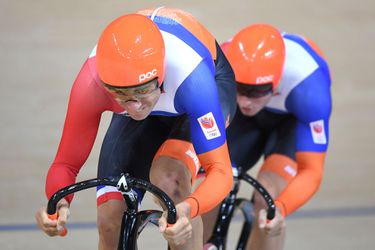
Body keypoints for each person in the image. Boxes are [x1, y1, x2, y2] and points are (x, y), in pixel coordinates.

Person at [35, 7, 237, 250]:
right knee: (110, 221)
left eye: (140, 92)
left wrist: (187, 208)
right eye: (121, 96)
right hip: (157, 91)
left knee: (171, 181)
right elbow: (65, 164)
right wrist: (58, 204)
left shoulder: (193, 80)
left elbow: (220, 171)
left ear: (160, 77)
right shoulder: (91, 83)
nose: (134, 106)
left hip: (200, 91)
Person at [201, 24, 332, 250]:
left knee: (267, 200)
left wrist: (281, 208)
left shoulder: (309, 88)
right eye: (238, 88)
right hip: (244, 121)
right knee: (210, 187)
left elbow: (311, 171)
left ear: (279, 78)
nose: (244, 101)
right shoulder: (221, 60)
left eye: (256, 92)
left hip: (290, 122)